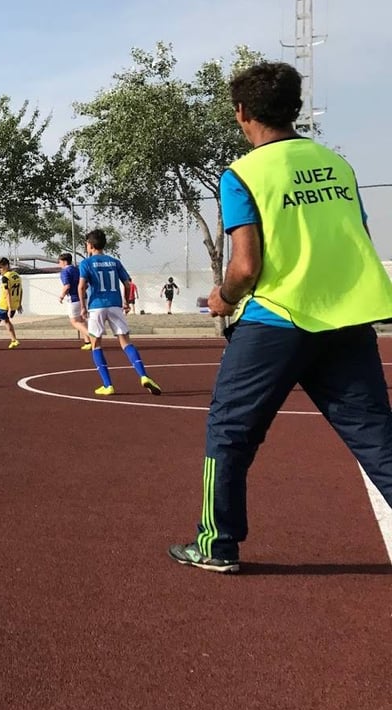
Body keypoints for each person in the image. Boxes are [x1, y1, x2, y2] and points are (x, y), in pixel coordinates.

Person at [168, 61, 392, 574]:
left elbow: (246, 266)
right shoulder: (337, 164)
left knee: (230, 432)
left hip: (276, 321)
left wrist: (222, 298)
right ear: (294, 106)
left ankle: (216, 544)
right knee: (376, 436)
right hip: (346, 320)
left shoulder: (243, 173)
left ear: (242, 112)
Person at [77, 229, 162, 397]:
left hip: (96, 306)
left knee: (96, 345)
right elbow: (128, 283)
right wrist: (127, 302)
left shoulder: (86, 263)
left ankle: (108, 385)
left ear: (91, 245)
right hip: (115, 305)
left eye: (87, 244)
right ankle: (143, 375)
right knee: (126, 343)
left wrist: (83, 307)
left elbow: (81, 286)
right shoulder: (114, 262)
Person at [57, 252, 92, 350]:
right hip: (83, 297)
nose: (59, 264)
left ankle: (93, 336)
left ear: (64, 262)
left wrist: (61, 296)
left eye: (59, 262)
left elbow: (67, 286)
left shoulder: (65, 272)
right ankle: (88, 342)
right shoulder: (78, 269)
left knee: (74, 321)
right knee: (82, 320)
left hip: (73, 299)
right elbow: (86, 284)